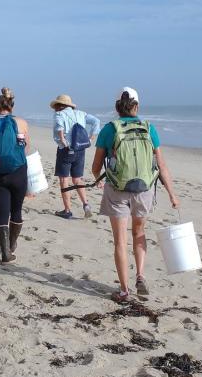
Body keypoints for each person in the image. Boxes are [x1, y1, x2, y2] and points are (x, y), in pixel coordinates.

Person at [91, 87, 180, 302]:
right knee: (139, 233)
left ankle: (124, 290)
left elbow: (95, 166)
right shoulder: (149, 128)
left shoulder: (109, 129)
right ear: (137, 106)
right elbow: (161, 164)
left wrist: (101, 181)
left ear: (117, 107)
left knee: (120, 241)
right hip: (144, 189)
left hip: (117, 190)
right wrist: (171, 194)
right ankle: (140, 275)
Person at [0, 87, 30, 263]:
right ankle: (11, 244)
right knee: (16, 211)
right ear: (12, 107)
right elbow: (26, 149)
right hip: (18, 172)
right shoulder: (22, 123)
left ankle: (5, 254)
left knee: (2, 213)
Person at [50, 94, 101, 219]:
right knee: (77, 179)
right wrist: (91, 137)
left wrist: (62, 140)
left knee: (64, 180)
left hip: (66, 149)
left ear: (58, 105)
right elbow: (96, 121)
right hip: (80, 149)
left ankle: (67, 210)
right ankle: (86, 204)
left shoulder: (59, 114)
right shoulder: (81, 113)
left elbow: (59, 127)